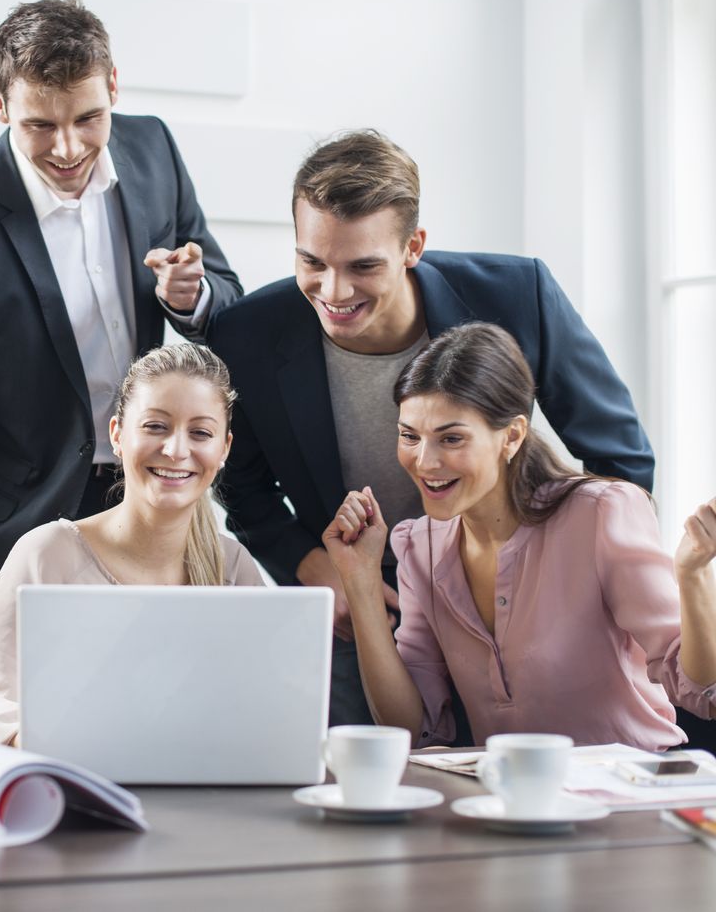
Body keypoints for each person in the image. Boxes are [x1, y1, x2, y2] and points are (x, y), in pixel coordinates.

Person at [0, 0, 243, 735]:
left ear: (114, 86)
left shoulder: (154, 151)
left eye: (88, 119)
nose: (69, 148)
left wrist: (192, 296)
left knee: (157, 735)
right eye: (39, 124)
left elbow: (226, 294)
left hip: (149, 512)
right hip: (8, 531)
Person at [206, 129, 653, 728]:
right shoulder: (246, 334)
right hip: (363, 601)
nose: (333, 291)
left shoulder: (519, 295)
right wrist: (310, 565)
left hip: (517, 594)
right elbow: (240, 486)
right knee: (374, 773)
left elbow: (621, 458)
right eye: (312, 262)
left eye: (364, 266)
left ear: (413, 246)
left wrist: (568, 579)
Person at [323, 322, 716, 750]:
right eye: (409, 436)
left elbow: (699, 688)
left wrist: (692, 574)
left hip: (631, 782)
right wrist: (360, 579)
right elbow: (411, 728)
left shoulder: (601, 513)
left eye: (451, 438)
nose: (425, 462)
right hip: (512, 789)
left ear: (511, 436)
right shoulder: (420, 546)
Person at [0, 344, 263, 744]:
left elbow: (265, 709)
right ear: (117, 435)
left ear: (224, 448)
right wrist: (55, 744)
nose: (176, 450)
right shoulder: (49, 553)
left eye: (200, 433)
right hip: (71, 777)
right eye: (155, 426)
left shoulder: (233, 568)